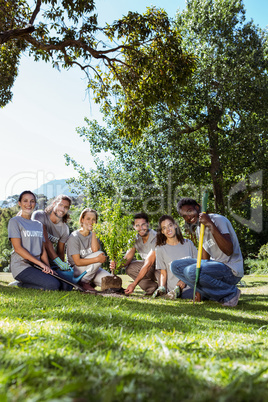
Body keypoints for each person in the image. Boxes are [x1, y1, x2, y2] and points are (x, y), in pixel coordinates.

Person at [171, 198, 244, 307]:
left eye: (189, 211)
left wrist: (209, 223)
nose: (188, 217)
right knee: (176, 266)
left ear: (197, 208)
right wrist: (198, 292)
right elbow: (204, 260)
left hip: (230, 269)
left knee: (191, 271)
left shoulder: (217, 220)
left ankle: (231, 293)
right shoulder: (198, 229)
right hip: (215, 268)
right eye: (184, 216)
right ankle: (211, 294)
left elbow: (229, 250)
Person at [8, 191, 67, 290]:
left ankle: (39, 280)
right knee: (52, 285)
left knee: (65, 285)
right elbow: (18, 249)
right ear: (19, 203)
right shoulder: (15, 221)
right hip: (21, 266)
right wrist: (40, 264)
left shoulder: (38, 224)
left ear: (35, 203)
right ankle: (19, 284)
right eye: (25, 201)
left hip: (37, 266)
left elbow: (42, 249)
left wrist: (48, 268)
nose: (29, 204)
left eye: (32, 201)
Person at [110, 212, 160, 295]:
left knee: (168, 289)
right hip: (150, 268)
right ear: (134, 227)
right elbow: (128, 258)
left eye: (143, 224)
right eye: (137, 225)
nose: (141, 228)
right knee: (130, 268)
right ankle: (153, 288)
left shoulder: (156, 237)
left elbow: (148, 263)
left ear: (148, 224)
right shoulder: (134, 238)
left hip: (162, 268)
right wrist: (117, 264)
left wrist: (134, 284)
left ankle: (163, 287)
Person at [153, 215, 198, 299]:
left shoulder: (188, 244)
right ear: (162, 231)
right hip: (178, 290)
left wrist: (184, 280)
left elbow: (198, 264)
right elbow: (163, 272)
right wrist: (162, 288)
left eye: (170, 225)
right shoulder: (160, 249)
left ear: (175, 225)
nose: (168, 229)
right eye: (164, 228)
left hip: (193, 284)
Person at [66, 208, 112, 290]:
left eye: (94, 220)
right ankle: (83, 282)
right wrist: (97, 259)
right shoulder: (74, 237)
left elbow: (95, 250)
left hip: (91, 269)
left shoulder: (94, 236)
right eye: (88, 219)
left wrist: (94, 231)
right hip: (76, 270)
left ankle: (90, 282)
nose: (91, 222)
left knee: (110, 281)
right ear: (82, 220)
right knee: (99, 255)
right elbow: (77, 262)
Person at [32, 194, 72, 271]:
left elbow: (60, 252)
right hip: (34, 257)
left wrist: (60, 267)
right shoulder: (39, 215)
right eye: (60, 205)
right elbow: (45, 241)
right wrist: (59, 262)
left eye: (66, 207)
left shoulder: (65, 229)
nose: (62, 209)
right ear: (54, 204)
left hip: (50, 261)